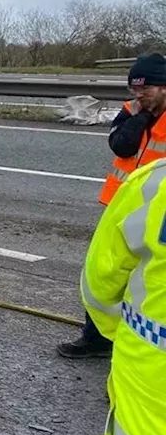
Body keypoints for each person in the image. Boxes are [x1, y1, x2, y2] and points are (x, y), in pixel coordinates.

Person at [59, 53, 166, 359]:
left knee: (149, 280)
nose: (138, 95)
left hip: (158, 214)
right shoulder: (132, 110)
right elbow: (120, 144)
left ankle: (141, 346)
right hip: (120, 205)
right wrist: (143, 117)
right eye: (135, 89)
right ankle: (97, 338)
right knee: (106, 271)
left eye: (145, 89)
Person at [81, 156, 166, 435]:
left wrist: (126, 335)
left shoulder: (153, 184)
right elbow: (123, 142)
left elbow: (100, 282)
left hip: (148, 365)